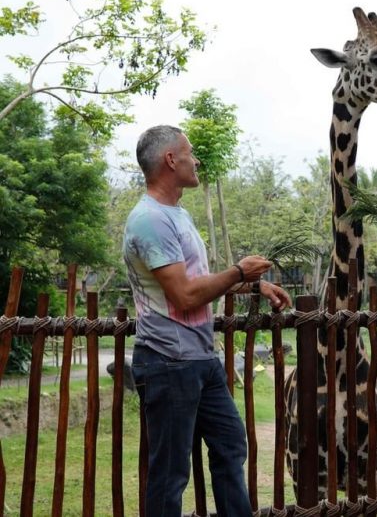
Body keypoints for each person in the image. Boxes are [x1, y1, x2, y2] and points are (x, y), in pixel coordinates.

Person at [123, 124, 291, 516]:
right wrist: (238, 272)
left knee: (231, 444)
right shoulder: (149, 220)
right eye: (189, 152)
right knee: (170, 473)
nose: (195, 160)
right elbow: (183, 295)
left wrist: (253, 287)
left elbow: (198, 283)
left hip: (199, 358)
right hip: (168, 361)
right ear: (170, 160)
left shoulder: (176, 215)